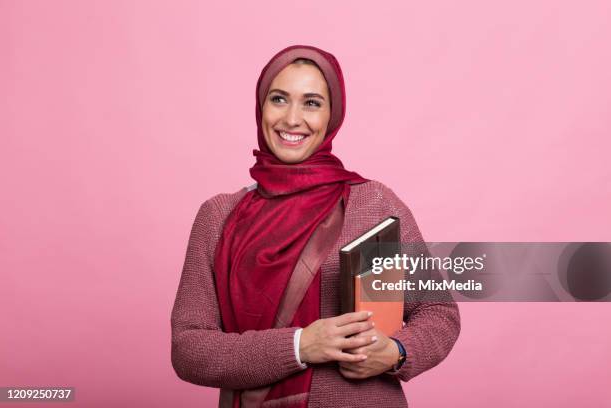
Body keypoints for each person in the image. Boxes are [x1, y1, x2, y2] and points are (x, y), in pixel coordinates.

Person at [171, 45, 460, 408]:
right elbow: (188, 348)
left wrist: (397, 352)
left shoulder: (374, 204)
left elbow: (439, 313)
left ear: (332, 115)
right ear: (261, 106)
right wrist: (299, 345)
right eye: (279, 99)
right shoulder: (219, 217)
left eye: (311, 103)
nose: (292, 119)